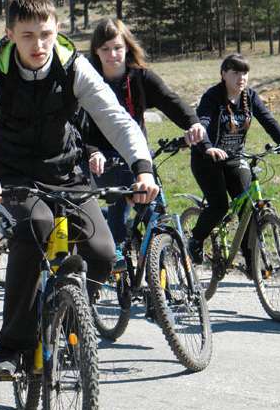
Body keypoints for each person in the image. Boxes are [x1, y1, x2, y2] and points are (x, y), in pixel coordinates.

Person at [0, 0, 159, 379]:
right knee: (37, 228)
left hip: (66, 172)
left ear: (57, 30)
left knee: (102, 253)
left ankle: (70, 311)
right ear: (10, 34)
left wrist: (142, 168)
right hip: (13, 176)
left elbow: (114, 117)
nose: (39, 45)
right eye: (28, 35)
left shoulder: (73, 67)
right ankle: (12, 346)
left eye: (46, 34)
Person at [80, 18, 205, 266]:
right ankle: (117, 261)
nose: (112, 55)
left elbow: (170, 101)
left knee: (153, 211)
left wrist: (193, 123)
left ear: (127, 47)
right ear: (96, 51)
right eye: (105, 49)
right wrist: (93, 152)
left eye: (117, 47)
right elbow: (80, 125)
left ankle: (162, 271)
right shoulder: (87, 81)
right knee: (116, 206)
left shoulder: (140, 78)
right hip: (101, 157)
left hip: (135, 155)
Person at [187, 53, 280, 273]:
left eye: (245, 72)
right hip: (207, 159)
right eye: (236, 72)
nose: (241, 77)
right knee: (219, 206)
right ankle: (196, 240)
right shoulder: (212, 96)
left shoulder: (250, 96)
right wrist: (208, 147)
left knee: (249, 209)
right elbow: (203, 122)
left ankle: (251, 263)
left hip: (234, 157)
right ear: (223, 74)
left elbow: (268, 120)